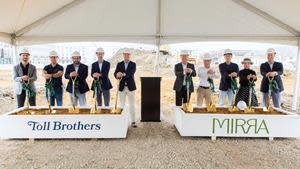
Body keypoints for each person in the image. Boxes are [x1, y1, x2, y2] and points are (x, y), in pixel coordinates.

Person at [114, 49, 137, 127]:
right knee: (122, 105)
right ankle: (123, 121)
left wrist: (122, 74)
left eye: (128, 55)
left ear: (130, 55)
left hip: (131, 87)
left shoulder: (133, 64)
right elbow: (115, 73)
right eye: (125, 54)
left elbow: (130, 73)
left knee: (132, 105)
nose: (127, 56)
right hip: (121, 87)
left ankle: (133, 121)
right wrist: (117, 74)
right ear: (123, 55)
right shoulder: (119, 64)